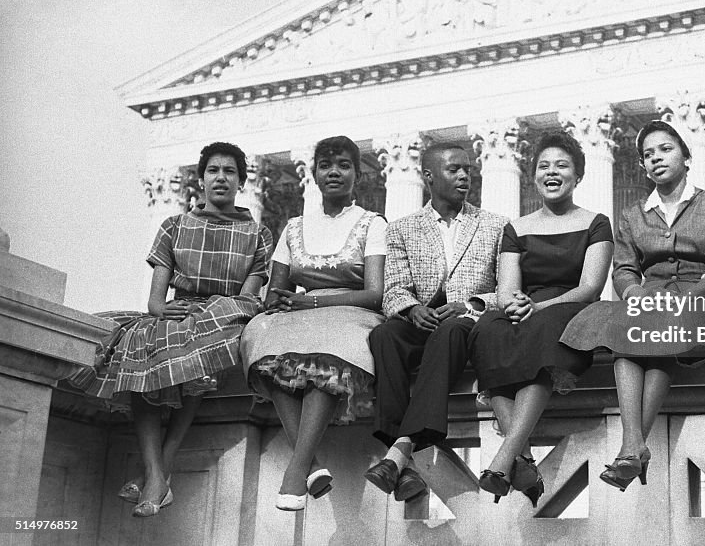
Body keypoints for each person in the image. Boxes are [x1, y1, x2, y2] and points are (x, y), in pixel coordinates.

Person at [67, 142, 273, 517]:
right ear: (201, 178)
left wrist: (204, 312)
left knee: (196, 340)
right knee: (145, 339)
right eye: (213, 170)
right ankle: (156, 473)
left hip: (225, 316)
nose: (221, 177)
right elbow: (155, 302)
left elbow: (248, 299)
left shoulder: (258, 235)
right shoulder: (175, 226)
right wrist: (166, 311)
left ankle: (158, 470)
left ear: (241, 181)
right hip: (179, 312)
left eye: (229, 171)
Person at [561, 119, 705, 491]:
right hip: (651, 300)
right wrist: (634, 293)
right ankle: (634, 447)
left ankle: (632, 446)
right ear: (643, 167)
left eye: (665, 149)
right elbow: (624, 268)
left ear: (687, 158)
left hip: (700, 298)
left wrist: (700, 291)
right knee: (628, 324)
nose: (656, 158)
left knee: (660, 326)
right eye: (648, 155)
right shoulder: (632, 214)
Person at [239, 136, 386, 511]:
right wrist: (279, 303)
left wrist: (314, 300)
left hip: (351, 312)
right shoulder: (293, 227)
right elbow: (277, 289)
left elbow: (374, 293)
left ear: (358, 174)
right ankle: (312, 464)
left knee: (326, 354)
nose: (334, 172)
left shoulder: (372, 223)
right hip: (300, 312)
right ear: (315, 174)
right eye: (325, 165)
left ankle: (297, 468)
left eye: (343, 165)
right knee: (264, 336)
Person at [470, 132, 613, 506]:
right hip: (528, 307)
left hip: (570, 307)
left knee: (546, 332)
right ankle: (523, 458)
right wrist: (511, 303)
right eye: (544, 166)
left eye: (562, 166)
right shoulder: (516, 228)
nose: (552, 172)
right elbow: (507, 287)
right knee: (487, 328)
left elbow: (590, 287)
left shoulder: (596, 222)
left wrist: (539, 308)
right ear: (533, 175)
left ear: (577, 176)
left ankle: (505, 456)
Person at [363, 143, 507, 502]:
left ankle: (401, 449)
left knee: (452, 329)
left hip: (468, 323)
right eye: (454, 170)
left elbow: (506, 288)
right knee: (384, 335)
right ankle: (404, 463)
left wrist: (469, 304)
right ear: (428, 176)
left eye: (467, 170)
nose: (463, 176)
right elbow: (394, 288)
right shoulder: (400, 229)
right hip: (420, 320)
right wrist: (412, 309)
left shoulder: (495, 225)